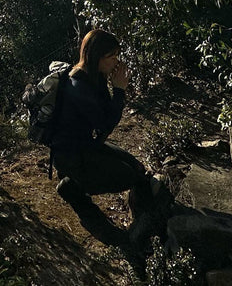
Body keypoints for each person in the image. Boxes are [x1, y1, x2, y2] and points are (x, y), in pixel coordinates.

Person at [50, 29, 163, 244]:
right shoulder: (78, 86)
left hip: (87, 146)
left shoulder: (95, 76)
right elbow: (105, 125)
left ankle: (75, 182)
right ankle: (72, 188)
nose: (116, 62)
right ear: (96, 57)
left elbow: (103, 118)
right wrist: (119, 90)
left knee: (138, 170)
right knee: (128, 176)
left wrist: (112, 86)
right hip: (72, 157)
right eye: (111, 57)